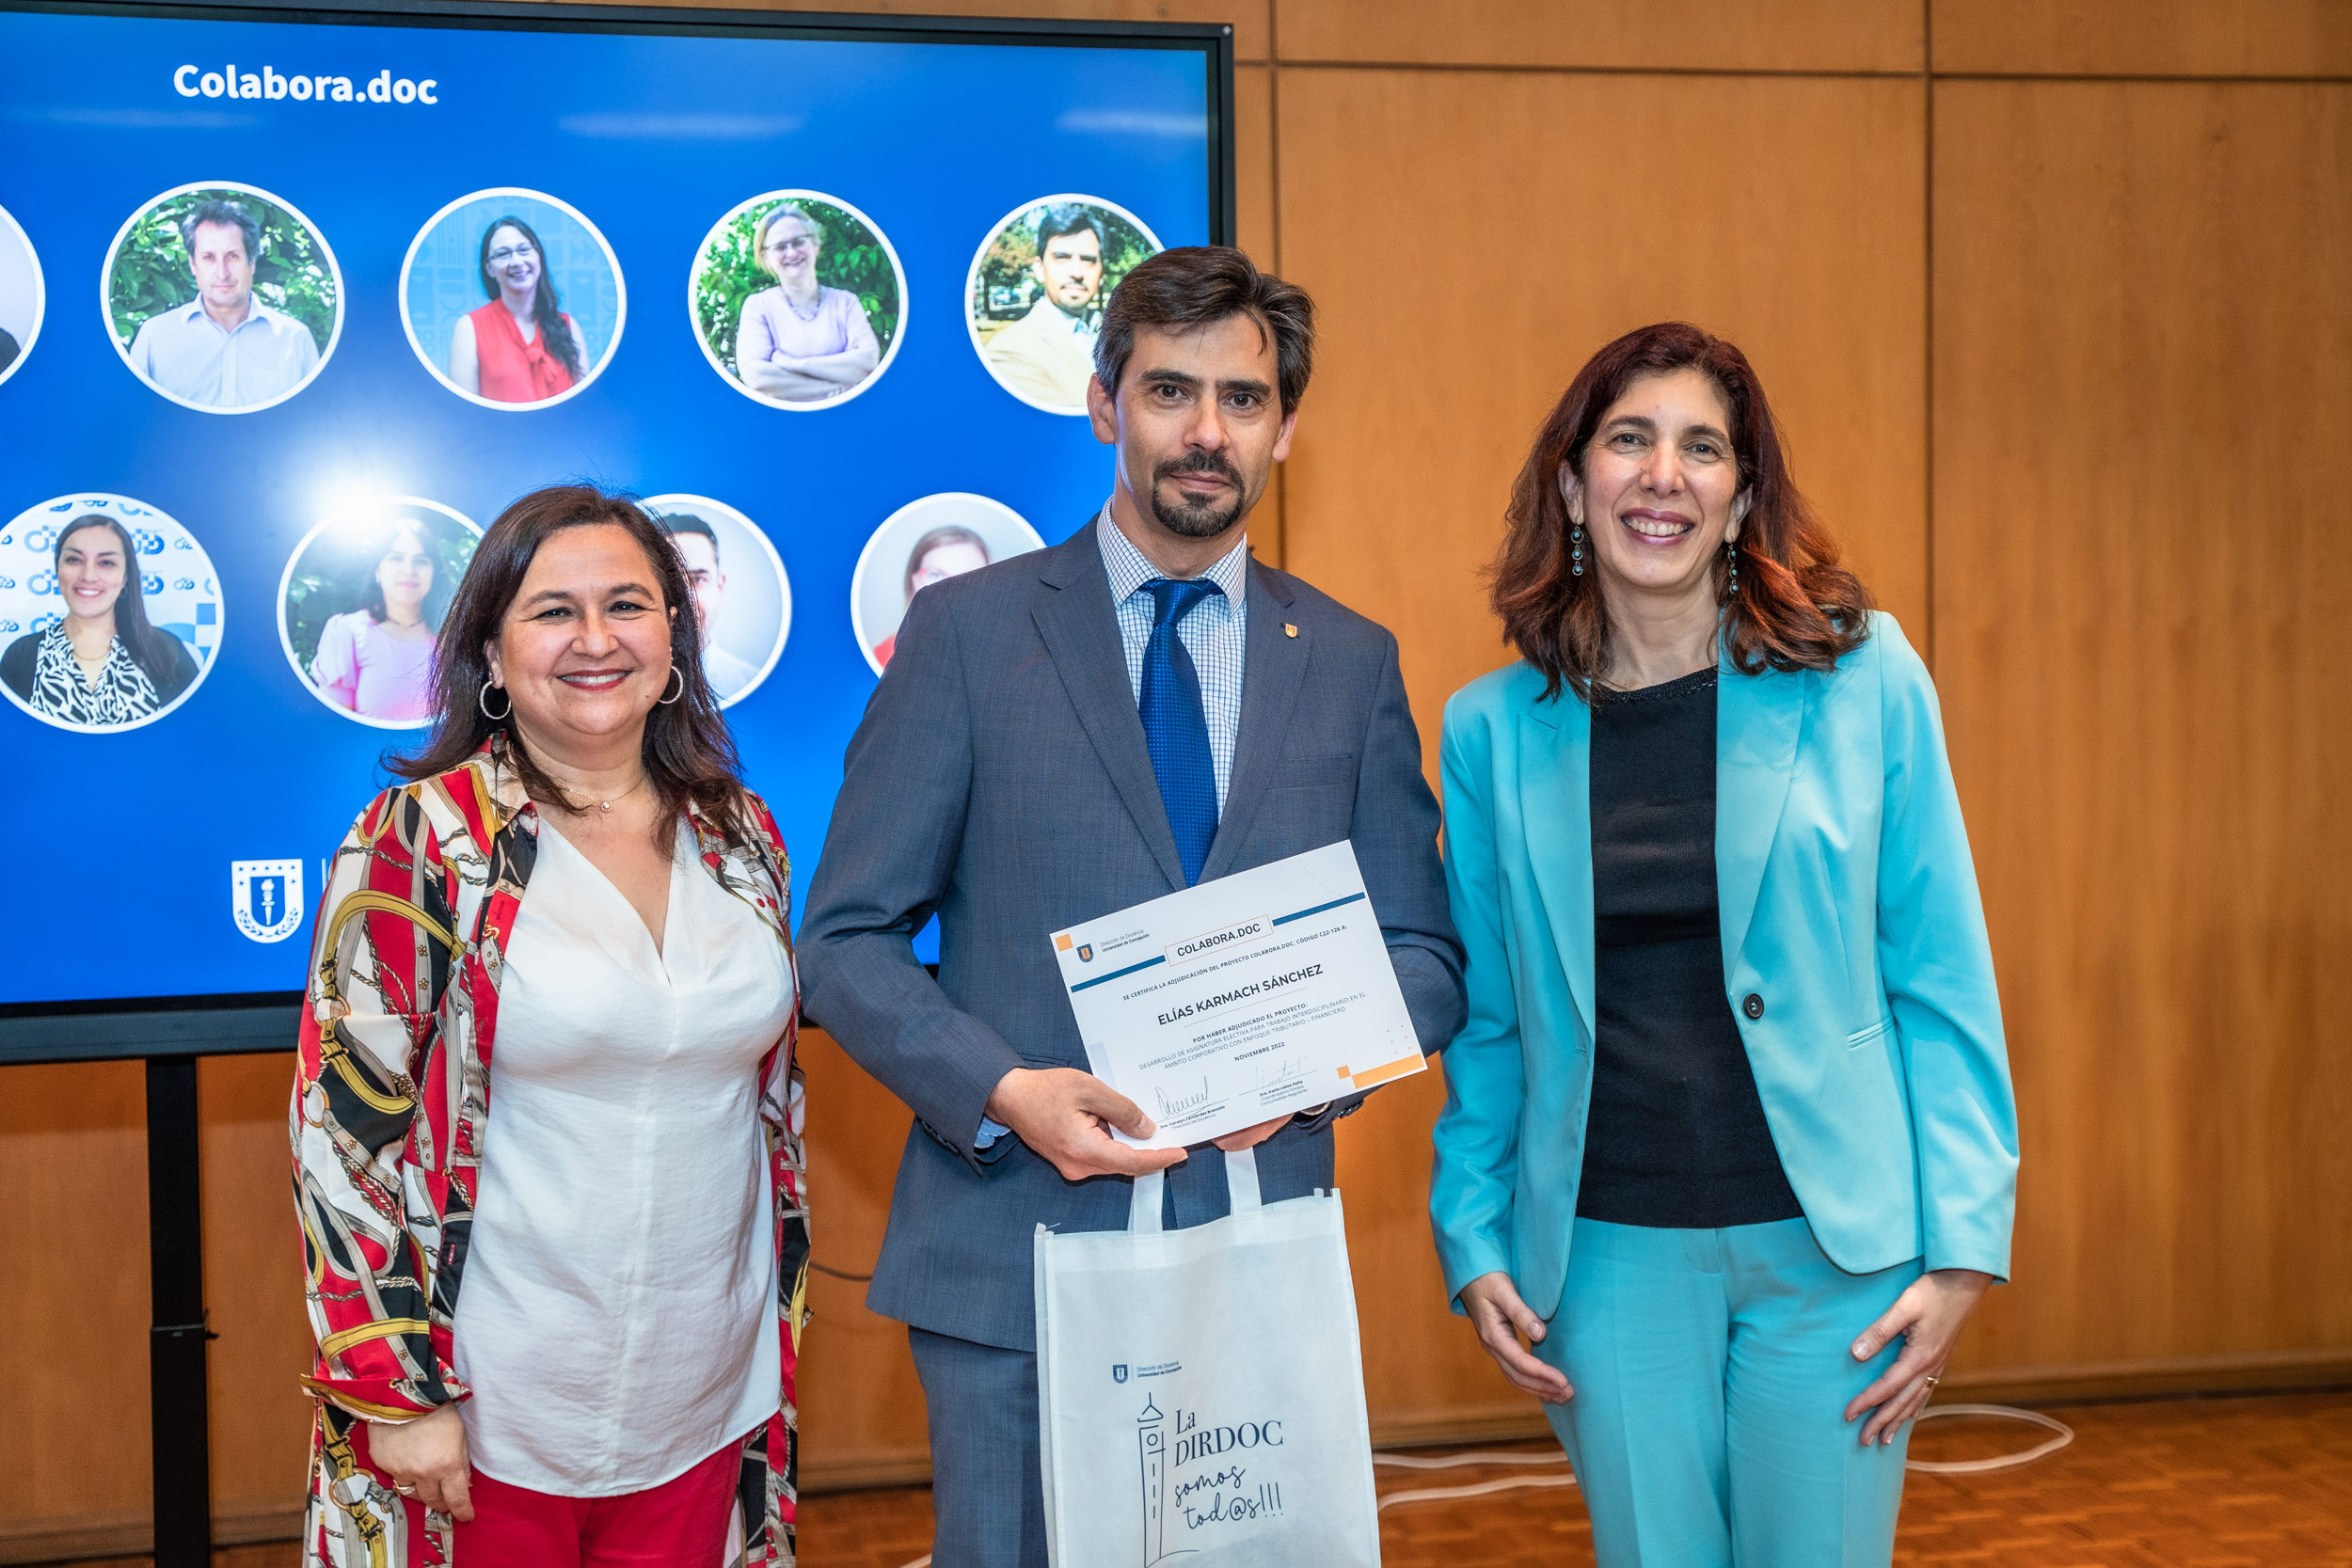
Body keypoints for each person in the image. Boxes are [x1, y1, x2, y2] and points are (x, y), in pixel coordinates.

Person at [799, 246, 1466, 1567]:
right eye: (1170, 390)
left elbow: (1423, 952)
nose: (1207, 431)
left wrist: (1310, 1070)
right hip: (1015, 1256)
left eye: (1243, 398)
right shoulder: (968, 633)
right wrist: (1004, 1091)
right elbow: (843, 942)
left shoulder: (1347, 659)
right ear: (1105, 402)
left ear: (1286, 427)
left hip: (1254, 1258)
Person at [1429, 322, 2019, 1567]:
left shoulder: (1863, 676)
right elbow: (1492, 1022)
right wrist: (1471, 1230)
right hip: (1605, 1259)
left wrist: (1966, 1247)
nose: (1664, 475)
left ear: (1742, 496)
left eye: (1703, 448)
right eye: (1629, 439)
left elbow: (1940, 971)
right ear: (1571, 485)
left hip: (1838, 1255)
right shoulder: (1489, 730)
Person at [291, 486, 808, 1567]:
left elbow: (769, 1113)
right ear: (492, 648)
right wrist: (395, 1391)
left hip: (708, 1394)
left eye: (627, 604)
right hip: (489, 1410)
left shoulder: (741, 835)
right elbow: (341, 1139)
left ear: (674, 635)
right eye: (553, 611)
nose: (595, 639)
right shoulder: (421, 838)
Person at [1, 514, 198, 726]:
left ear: (125, 578)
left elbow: (196, 731)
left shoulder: (167, 650)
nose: (88, 576)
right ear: (58, 570)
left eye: (106, 563)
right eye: (74, 559)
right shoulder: (22, 655)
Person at [123, 198, 321, 409]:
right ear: (193, 264)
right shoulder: (154, 338)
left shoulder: (296, 340)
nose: (222, 273)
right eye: (209, 257)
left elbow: (318, 417)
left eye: (232, 256)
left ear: (252, 262)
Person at [734, 203, 882, 404]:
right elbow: (757, 377)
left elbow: (868, 361)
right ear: (766, 257)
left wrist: (793, 364)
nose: (791, 253)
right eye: (780, 247)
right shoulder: (758, 306)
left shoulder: (846, 303)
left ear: (815, 245)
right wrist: (835, 384)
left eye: (798, 242)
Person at [308, 515, 448, 723]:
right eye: (396, 558)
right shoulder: (347, 632)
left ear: (434, 573)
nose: (409, 570)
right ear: (377, 571)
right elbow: (334, 728)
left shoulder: (453, 638)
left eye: (421, 561)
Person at [980, 204, 1111, 410]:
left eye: (1088, 260)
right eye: (1062, 257)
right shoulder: (1007, 351)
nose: (1077, 272)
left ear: (1101, 272)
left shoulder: (1124, 333)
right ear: (1040, 269)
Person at [449, 216, 585, 404]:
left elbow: (586, 406)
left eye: (523, 250)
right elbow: (462, 411)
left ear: (538, 255)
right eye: (503, 254)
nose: (516, 261)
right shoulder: (469, 328)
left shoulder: (568, 326)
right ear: (489, 268)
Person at [658, 511, 760, 699]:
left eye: (698, 579)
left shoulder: (750, 683)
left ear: (720, 586)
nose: (686, 599)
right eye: (670, 580)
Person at [867, 524, 990, 669]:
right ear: (915, 581)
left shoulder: (1007, 655)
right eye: (936, 574)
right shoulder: (885, 657)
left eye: (971, 576)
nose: (953, 589)